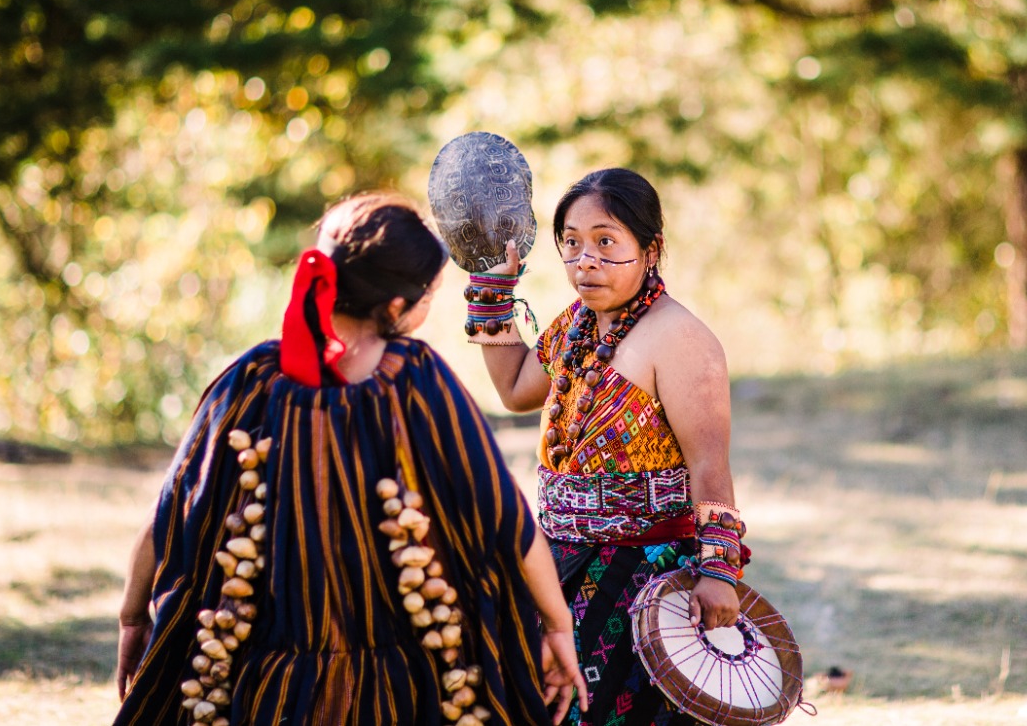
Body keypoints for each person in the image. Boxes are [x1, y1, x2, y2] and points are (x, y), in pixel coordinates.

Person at [114, 192, 588, 726]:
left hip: (266, 689)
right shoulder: (415, 381)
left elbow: (174, 508)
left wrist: (134, 617)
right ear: (394, 309)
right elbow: (504, 518)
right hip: (401, 688)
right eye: (427, 297)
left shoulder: (249, 381)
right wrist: (556, 625)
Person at [466, 169, 747, 725]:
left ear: (651, 249)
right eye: (570, 242)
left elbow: (710, 464)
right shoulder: (575, 324)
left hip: (637, 576)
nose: (584, 260)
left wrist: (719, 571)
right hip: (556, 560)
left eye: (605, 241)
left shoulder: (683, 339)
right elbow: (517, 389)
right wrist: (492, 294)